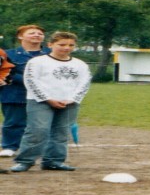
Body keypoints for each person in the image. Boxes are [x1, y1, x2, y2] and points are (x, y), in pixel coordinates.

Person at [8, 32, 91, 173]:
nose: (66, 48)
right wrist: (48, 99)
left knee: (62, 132)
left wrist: (72, 99)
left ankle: (54, 161)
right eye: (62, 44)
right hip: (40, 101)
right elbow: (31, 82)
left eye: (71, 45)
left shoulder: (80, 64)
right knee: (38, 131)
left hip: (69, 103)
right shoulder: (37, 62)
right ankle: (25, 161)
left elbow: (84, 83)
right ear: (50, 44)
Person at [1, 25, 49, 157]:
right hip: (15, 93)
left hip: (45, 94)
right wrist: (30, 81)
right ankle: (10, 146)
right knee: (13, 122)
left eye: (40, 33)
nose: (36, 35)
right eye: (32, 33)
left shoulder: (50, 53)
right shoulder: (7, 54)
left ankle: (43, 147)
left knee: (43, 122)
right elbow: (5, 72)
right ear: (20, 36)